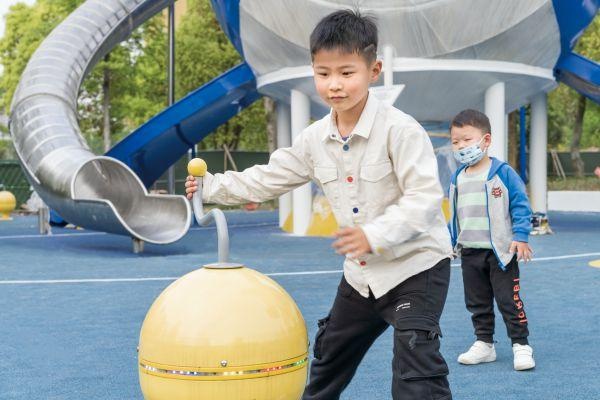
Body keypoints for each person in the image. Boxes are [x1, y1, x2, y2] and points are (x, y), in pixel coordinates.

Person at [186, 10, 453, 399]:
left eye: (347, 72)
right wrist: (212, 187)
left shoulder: (401, 130)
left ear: (373, 69)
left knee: (416, 371)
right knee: (328, 358)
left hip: (416, 268)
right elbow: (270, 176)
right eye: (323, 73)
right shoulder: (314, 139)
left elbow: (425, 198)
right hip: (362, 276)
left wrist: (374, 234)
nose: (334, 85)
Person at [448, 109, 535, 371]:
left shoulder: (503, 173)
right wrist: (451, 242)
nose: (461, 146)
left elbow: (521, 205)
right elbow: (455, 215)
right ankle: (484, 344)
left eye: (467, 139)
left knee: (509, 300)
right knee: (476, 302)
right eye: (455, 141)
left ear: (485, 140)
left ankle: (521, 345)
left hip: (501, 251)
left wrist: (520, 236)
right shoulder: (457, 177)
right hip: (471, 252)